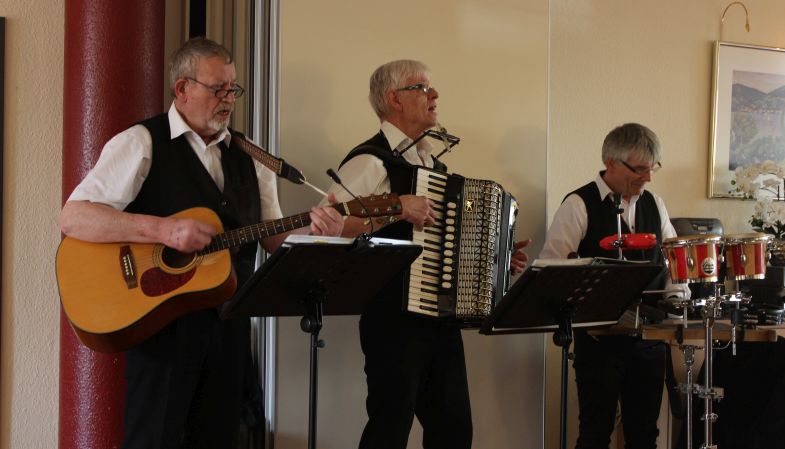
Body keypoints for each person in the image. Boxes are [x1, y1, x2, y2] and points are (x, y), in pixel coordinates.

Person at [59, 37, 344, 449]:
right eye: (217, 89)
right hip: (161, 326)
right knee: (151, 441)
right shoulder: (142, 143)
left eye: (233, 89)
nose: (228, 99)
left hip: (228, 323)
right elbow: (74, 216)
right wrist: (162, 232)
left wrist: (316, 233)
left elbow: (273, 237)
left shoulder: (252, 157)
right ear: (182, 89)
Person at [325, 59, 529, 449]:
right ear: (393, 100)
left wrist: (496, 259)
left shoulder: (431, 164)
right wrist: (396, 207)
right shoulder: (370, 159)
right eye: (421, 88)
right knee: (390, 429)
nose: (434, 95)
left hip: (439, 320)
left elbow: (445, 242)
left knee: (454, 432)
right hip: (392, 321)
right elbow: (334, 221)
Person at [539, 123, 687, 449]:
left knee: (644, 435)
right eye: (640, 169)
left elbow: (676, 263)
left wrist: (677, 301)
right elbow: (553, 270)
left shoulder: (654, 204)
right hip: (598, 341)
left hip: (649, 338)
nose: (647, 178)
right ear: (611, 162)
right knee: (595, 433)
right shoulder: (578, 204)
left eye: (652, 169)